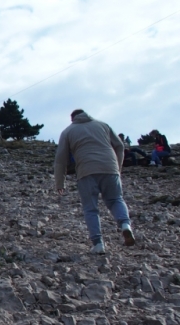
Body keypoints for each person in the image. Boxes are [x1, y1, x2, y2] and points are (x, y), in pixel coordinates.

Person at [54, 109, 135, 254]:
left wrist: (60, 183)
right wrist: (118, 167)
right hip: (110, 168)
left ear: (72, 119)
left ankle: (98, 244)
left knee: (90, 208)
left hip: (86, 171)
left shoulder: (68, 131)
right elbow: (120, 146)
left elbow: (61, 160)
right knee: (116, 199)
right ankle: (125, 226)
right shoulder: (103, 125)